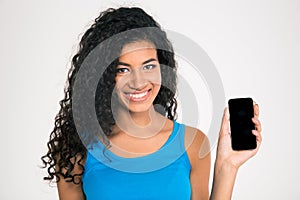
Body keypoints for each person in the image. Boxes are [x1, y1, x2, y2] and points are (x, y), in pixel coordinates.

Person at [41, 7, 262, 200]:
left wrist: (227, 167)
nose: (138, 82)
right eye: (123, 69)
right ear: (104, 77)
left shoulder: (192, 144)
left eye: (148, 66)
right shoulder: (76, 150)